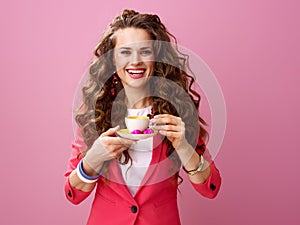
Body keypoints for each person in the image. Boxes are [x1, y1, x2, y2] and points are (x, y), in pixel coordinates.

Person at [64, 9, 221, 225]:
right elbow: (73, 194)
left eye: (144, 51)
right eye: (125, 52)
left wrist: (183, 145)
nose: (135, 61)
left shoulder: (178, 112)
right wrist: (95, 157)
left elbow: (210, 188)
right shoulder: (97, 113)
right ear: (112, 60)